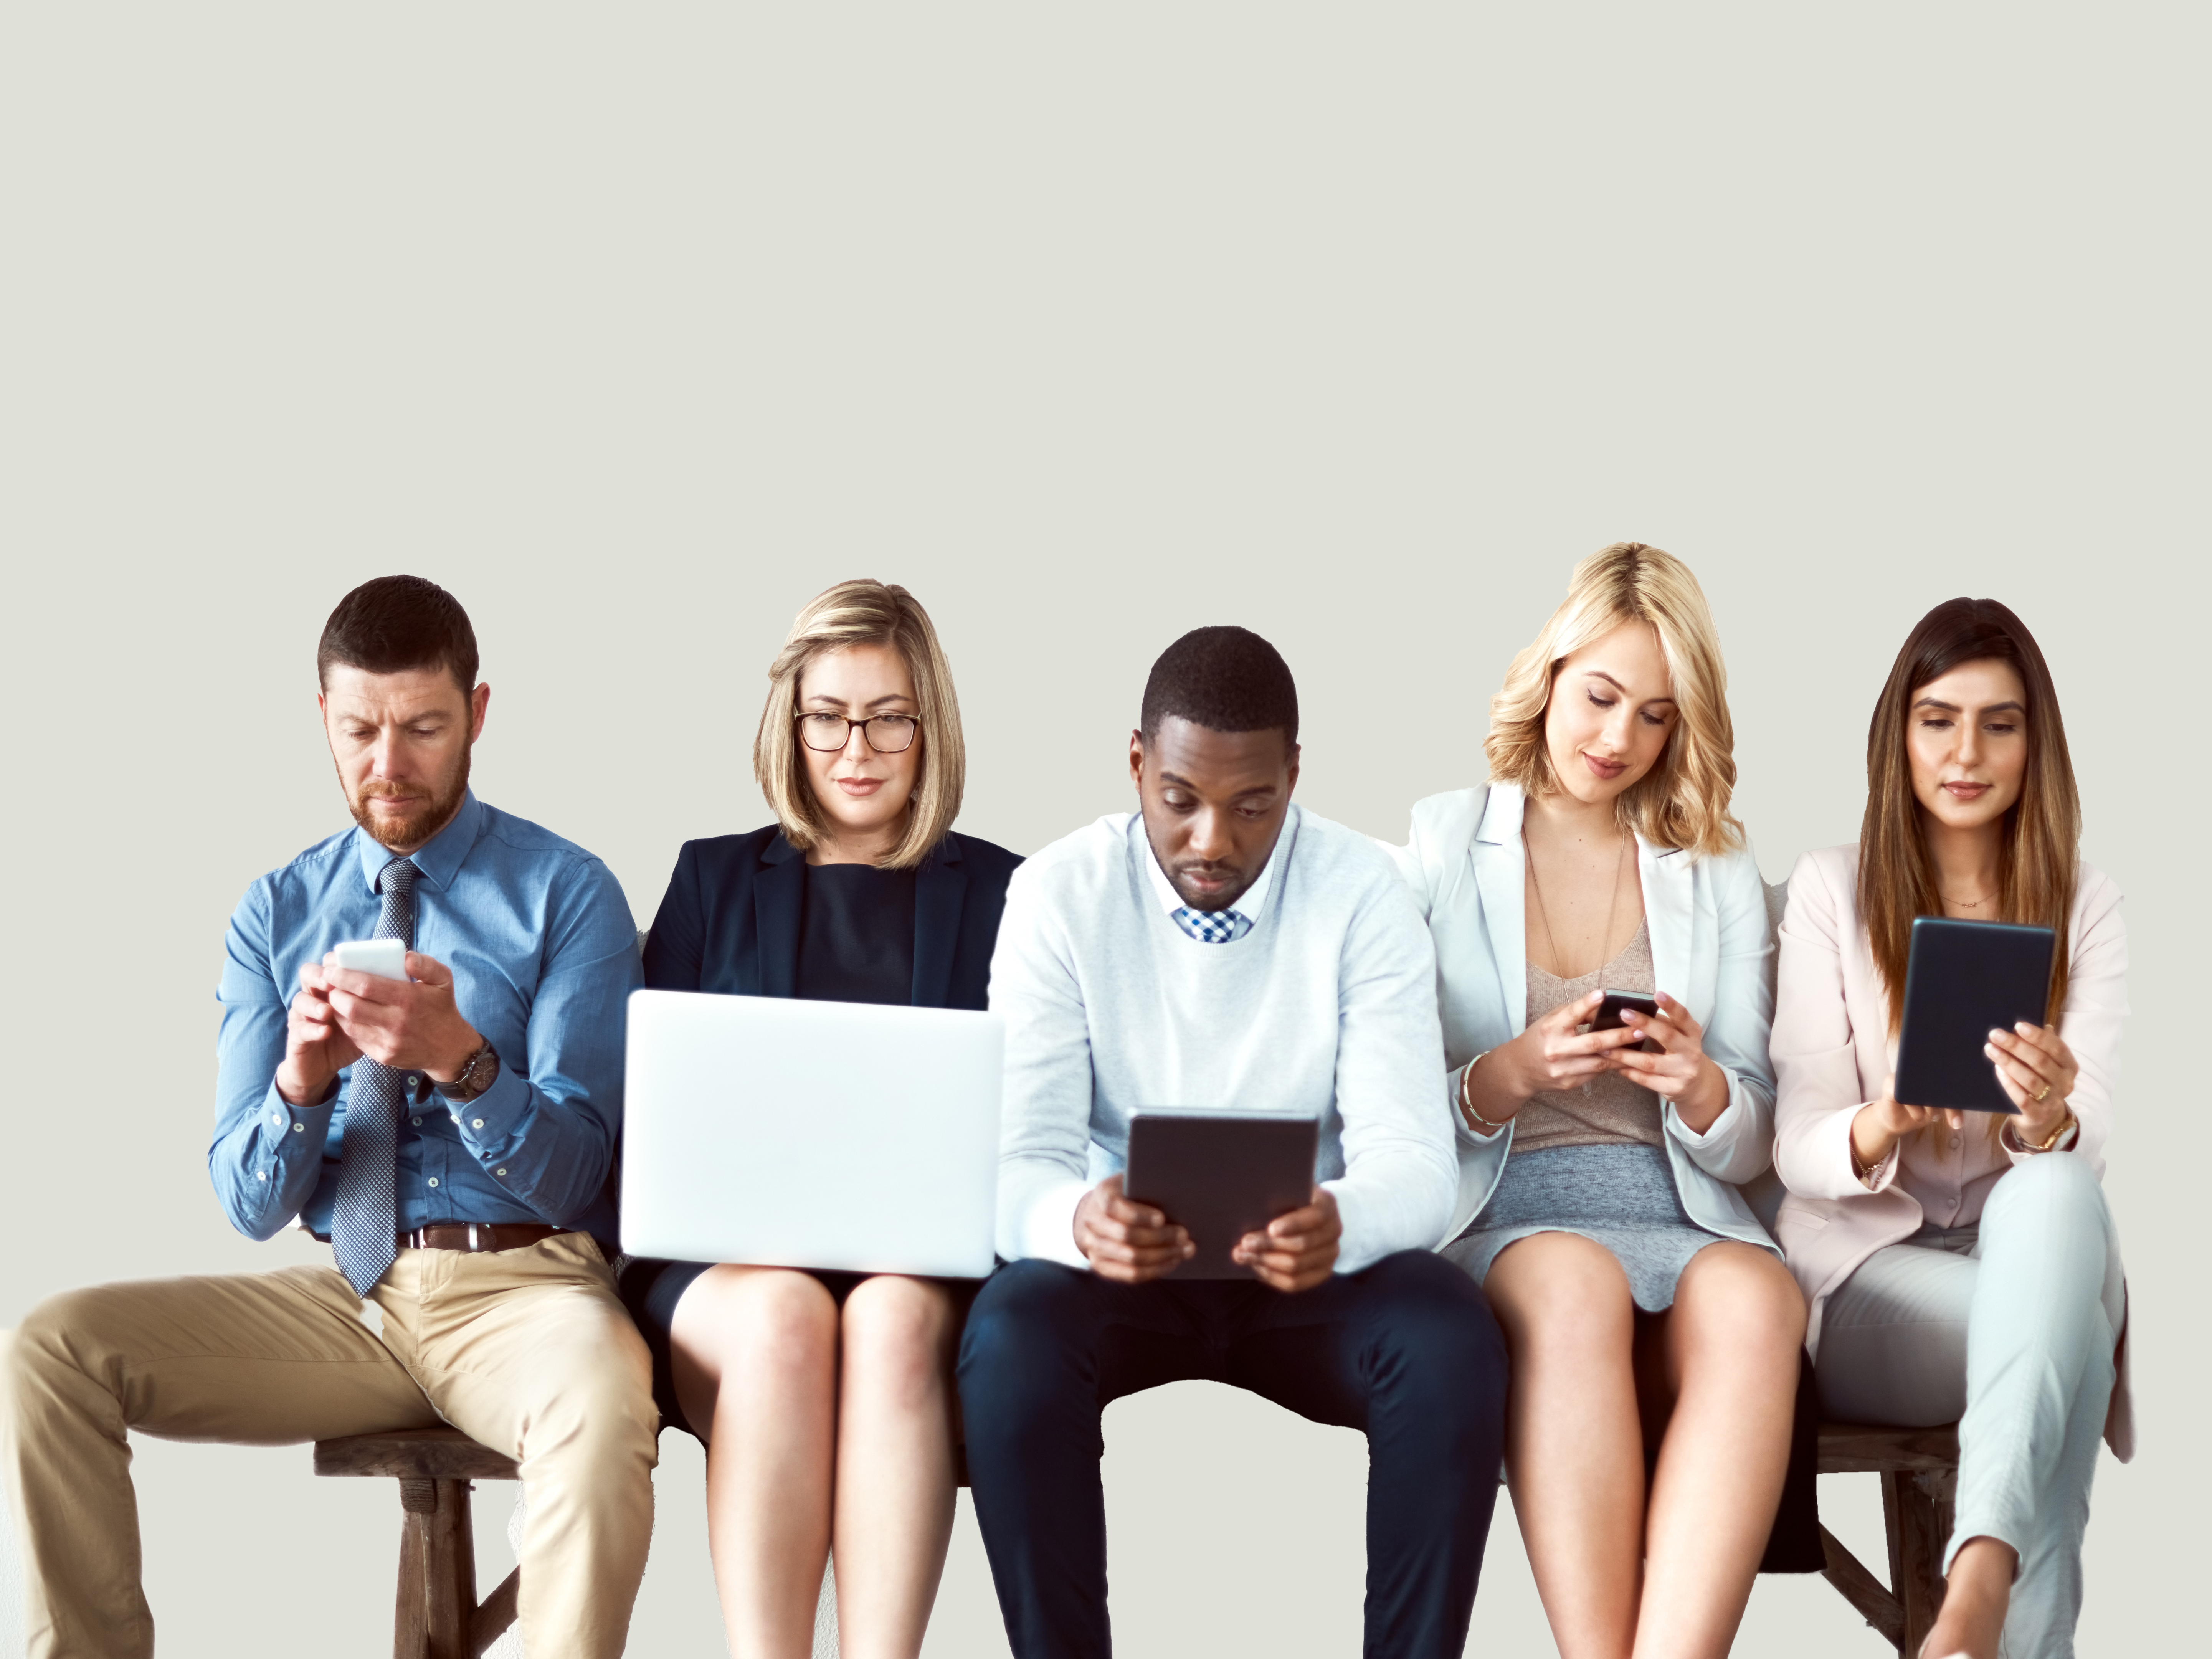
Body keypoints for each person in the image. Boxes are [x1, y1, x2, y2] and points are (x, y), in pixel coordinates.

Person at [0, 576, 657, 1659]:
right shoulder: (276, 909)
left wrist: (464, 1063)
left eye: (424, 729)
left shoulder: (566, 890)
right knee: (50, 1351)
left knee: (601, 1417)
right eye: (359, 730)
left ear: (478, 717)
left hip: (526, 1293)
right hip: (352, 1300)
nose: (388, 766)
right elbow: (247, 1203)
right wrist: (302, 1077)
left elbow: (583, 1170)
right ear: (322, 719)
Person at [958, 625, 1508, 1659]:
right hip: (1118, 1277)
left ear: (1296, 773)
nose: (1212, 838)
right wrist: (1076, 1221)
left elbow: (1417, 1164)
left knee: (1449, 1338)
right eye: (1180, 799)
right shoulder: (1057, 893)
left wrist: (1335, 1221)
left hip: (1308, 1279)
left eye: (1253, 804)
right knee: (1009, 1338)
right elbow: (1013, 1166)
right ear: (1135, 764)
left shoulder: (1363, 892)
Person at [1387, 543, 1809, 1659]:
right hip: (1510, 1207)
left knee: (1763, 1304)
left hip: (1681, 1206)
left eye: (1656, 717)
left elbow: (1758, 1121)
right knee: (1575, 1283)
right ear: (1553, 673)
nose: (1618, 741)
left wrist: (1704, 1085)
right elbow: (1378, 1105)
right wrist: (1508, 1075)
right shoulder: (1438, 842)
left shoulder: (1709, 862)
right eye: (1601, 697)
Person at [616, 580, 1020, 1659]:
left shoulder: (1004, 893)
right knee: (788, 1318)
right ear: (790, 724)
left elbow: (1034, 1119)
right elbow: (654, 1111)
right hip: (728, 1277)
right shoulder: (711, 880)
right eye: (830, 715)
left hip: (923, 1271)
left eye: (891, 714)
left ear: (930, 722)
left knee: (885, 1322)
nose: (859, 746)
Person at [1771, 597, 2128, 1659]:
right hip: (1871, 1279)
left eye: (1999, 723)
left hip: (2020, 1252)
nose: (1966, 751)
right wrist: (1880, 1124)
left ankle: (1973, 1591)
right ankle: (1992, 1607)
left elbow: (2087, 1140)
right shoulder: (1834, 891)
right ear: (1900, 733)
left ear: (2036, 740)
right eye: (1939, 719)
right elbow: (1795, 1145)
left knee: (2060, 1192)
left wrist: (2052, 1114)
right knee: (2069, 1339)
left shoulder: (2085, 901)